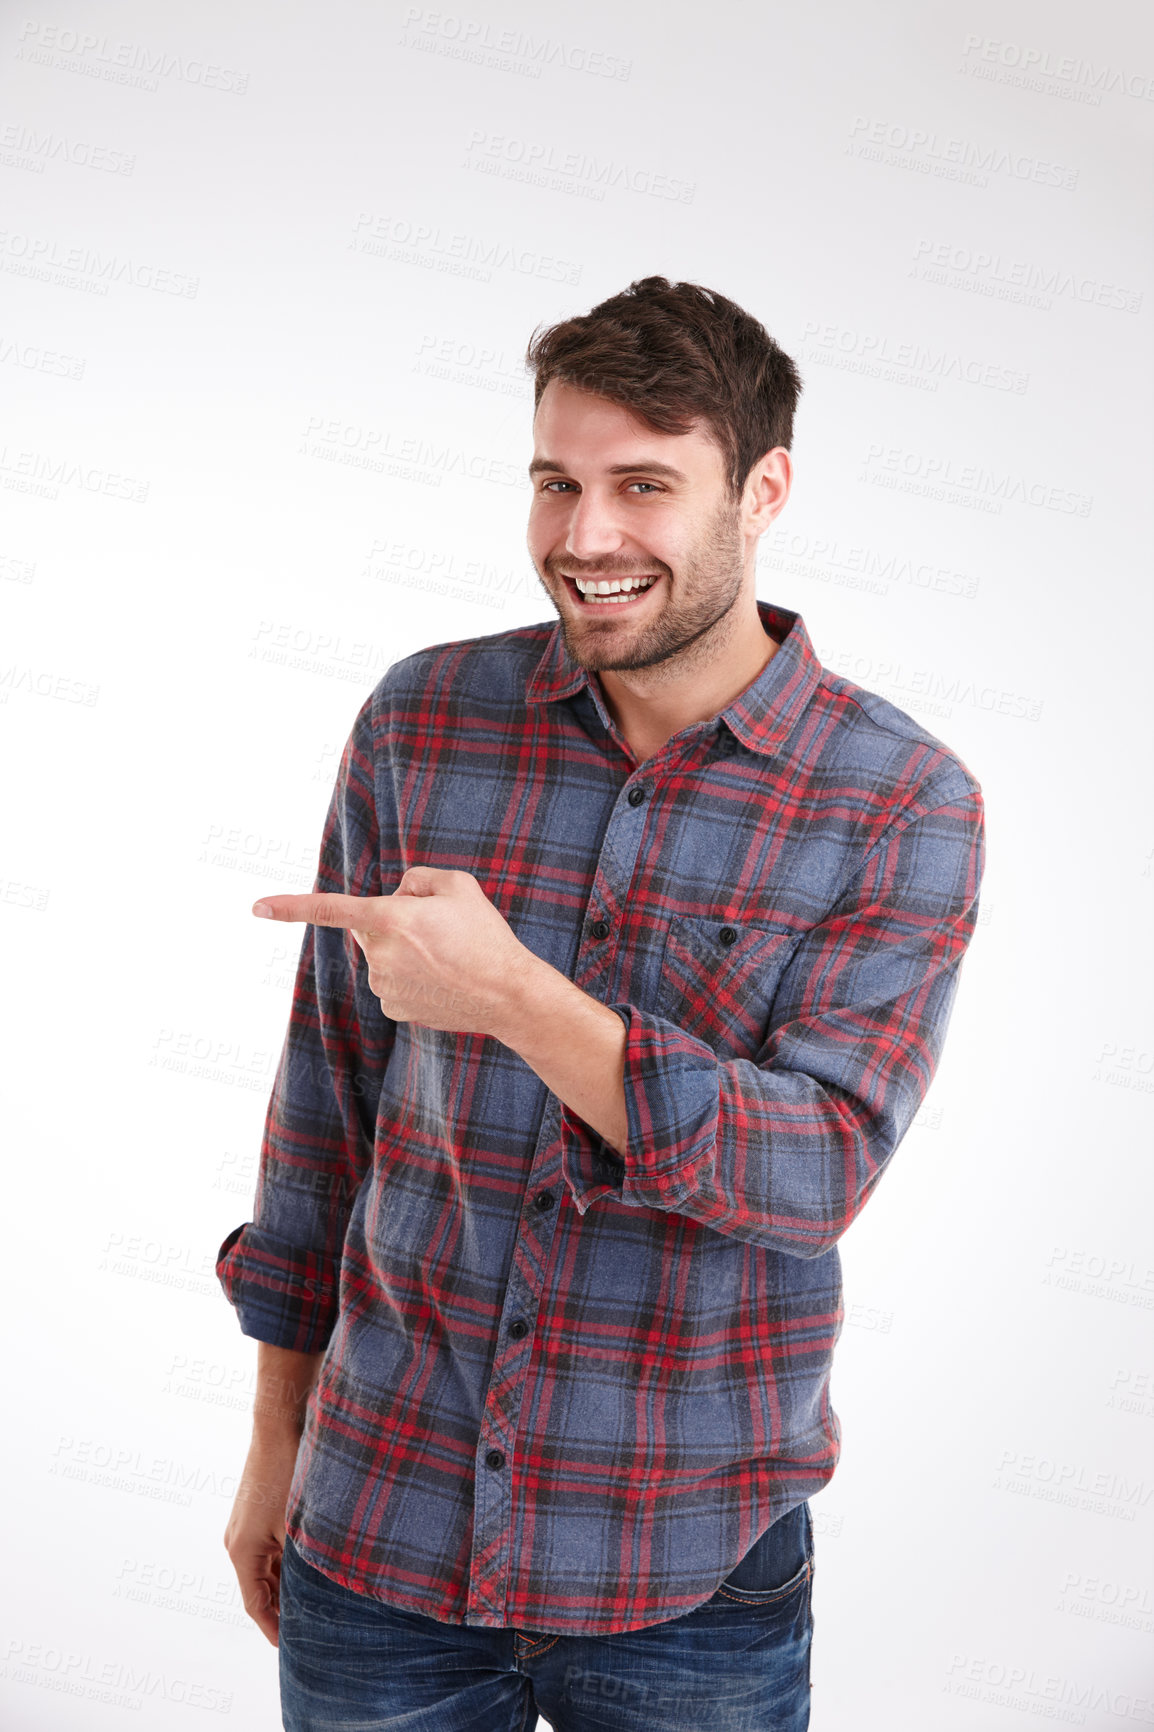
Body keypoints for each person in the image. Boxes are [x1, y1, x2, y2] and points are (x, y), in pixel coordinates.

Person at [216, 275, 985, 1731]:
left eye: (644, 485)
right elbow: (323, 1115)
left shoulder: (897, 800)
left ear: (761, 491)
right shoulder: (421, 720)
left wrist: (512, 995)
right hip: (377, 1530)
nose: (584, 539)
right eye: (555, 483)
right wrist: (275, 1448)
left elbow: (811, 1166)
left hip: (689, 1573)